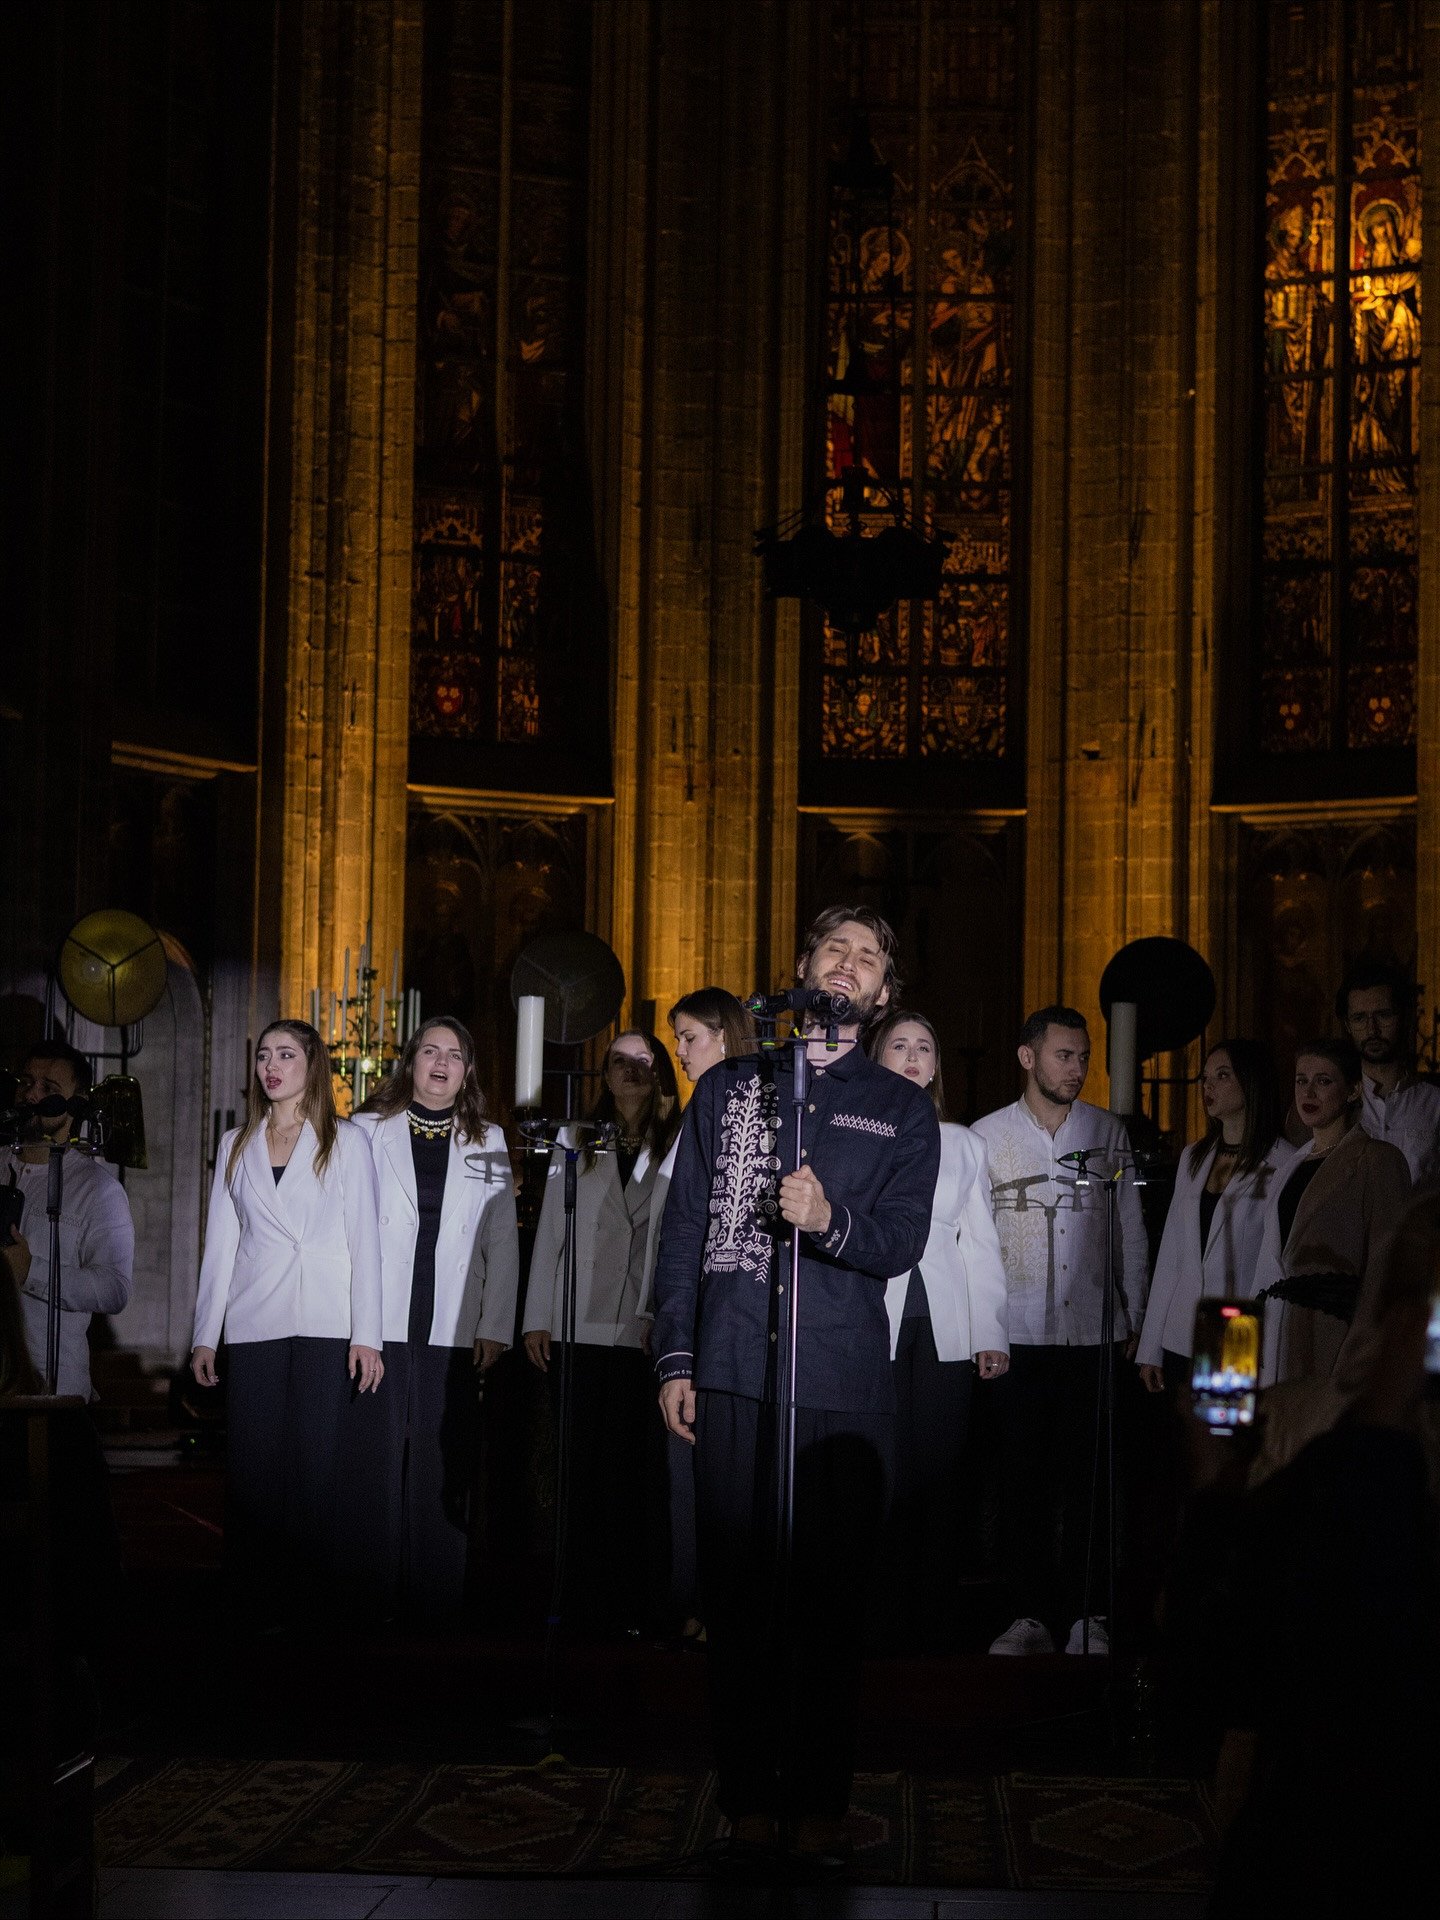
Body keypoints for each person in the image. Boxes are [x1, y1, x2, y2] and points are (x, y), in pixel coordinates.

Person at [652, 907, 940, 1860]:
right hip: (734, 1365)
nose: (849, 966)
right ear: (804, 966)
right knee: (737, 1599)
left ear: (884, 992)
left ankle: (817, 1802)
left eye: (869, 958)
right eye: (835, 950)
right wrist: (678, 1359)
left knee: (827, 1605)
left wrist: (827, 1220)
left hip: (840, 1384)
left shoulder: (901, 1108)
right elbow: (684, 1229)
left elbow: (900, 1242)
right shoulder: (731, 1087)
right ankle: (746, 1801)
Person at [972, 1005, 1149, 1658]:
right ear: (1029, 1057)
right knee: (1022, 1482)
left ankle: (1089, 1614)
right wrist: (983, 1329)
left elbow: (1130, 1230)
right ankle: (1029, 1614)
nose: (1077, 1069)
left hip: (1093, 1334)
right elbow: (976, 1243)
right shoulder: (986, 1136)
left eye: (1083, 1057)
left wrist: (1136, 1317)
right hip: (1016, 1335)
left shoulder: (1107, 1132)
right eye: (1064, 1056)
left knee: (1090, 1483)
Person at [191, 1020, 383, 1611]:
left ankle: (310, 1602)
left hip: (326, 1321)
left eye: (286, 1054)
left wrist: (368, 1335)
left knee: (315, 1465)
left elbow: (366, 1242)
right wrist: (205, 1336)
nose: (271, 1066)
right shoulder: (236, 1143)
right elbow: (220, 1246)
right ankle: (252, 1599)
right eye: (264, 1056)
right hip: (255, 1319)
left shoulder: (347, 1141)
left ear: (312, 1064)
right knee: (252, 1468)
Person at [352, 1017, 520, 1619]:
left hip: (452, 1317)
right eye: (430, 1051)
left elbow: (501, 1238)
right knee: (376, 1454)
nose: (441, 1063)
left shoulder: (488, 1138)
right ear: (411, 1062)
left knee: (441, 1453)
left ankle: (436, 1595)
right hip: (379, 1318)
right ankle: (371, 1587)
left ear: (467, 1070)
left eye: (453, 1054)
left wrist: (495, 1323)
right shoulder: (366, 1129)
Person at [522, 1029, 679, 1631]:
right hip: (578, 1318)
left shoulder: (678, 1138)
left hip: (642, 1321)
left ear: (660, 1071)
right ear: (605, 1074)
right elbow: (550, 1232)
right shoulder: (576, 1139)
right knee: (580, 1465)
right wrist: (538, 1315)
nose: (631, 1070)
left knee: (633, 1467)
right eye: (619, 1061)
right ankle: (578, 1599)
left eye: (644, 1060)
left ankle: (634, 1600)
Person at [868, 1008, 1008, 1648]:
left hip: (946, 1320)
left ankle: (932, 1613)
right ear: (878, 1058)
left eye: (923, 1047)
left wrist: (992, 1333)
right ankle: (880, 1610)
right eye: (899, 1045)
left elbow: (981, 1243)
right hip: (876, 1312)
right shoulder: (858, 1131)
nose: (912, 1056)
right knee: (884, 1463)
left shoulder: (964, 1143)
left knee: (941, 1462)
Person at [640, 988, 756, 1644]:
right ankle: (692, 1601)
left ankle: (713, 1606)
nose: (680, 1052)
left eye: (689, 1038)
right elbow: (671, 1231)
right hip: (683, 1319)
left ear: (725, 1035)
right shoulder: (694, 1113)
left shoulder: (741, 1111)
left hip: (725, 1320)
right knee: (682, 1469)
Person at [1251, 1037, 1411, 1388]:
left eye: (1323, 1081)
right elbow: (1270, 1262)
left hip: (1334, 1338)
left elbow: (1389, 1270)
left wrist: (1358, 1355)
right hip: (1279, 1336)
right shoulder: (1290, 1165)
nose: (1308, 1092)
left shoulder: (1378, 1160)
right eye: (1301, 1080)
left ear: (1353, 1090)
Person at [1136, 1041, 1283, 1396]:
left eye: (1222, 1075)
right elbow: (1171, 1255)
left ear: (1250, 1083)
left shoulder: (1282, 1162)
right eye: (1205, 1078)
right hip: (1180, 1331)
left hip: (1236, 1333)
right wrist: (1151, 1346)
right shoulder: (1193, 1157)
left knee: (1223, 1428)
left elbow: (1272, 1268)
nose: (1208, 1086)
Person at [6, 1040, 134, 1400]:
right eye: (26, 1083)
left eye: (48, 1088)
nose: (31, 1095)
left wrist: (30, 1271)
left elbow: (114, 1289)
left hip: (51, 1387)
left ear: (76, 1103)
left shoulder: (98, 1190)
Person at [1335, 956, 1440, 1181]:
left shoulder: (1434, 1103)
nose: (1372, 1029)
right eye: (1359, 1018)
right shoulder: (1336, 1100)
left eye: (1383, 1015)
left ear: (1404, 1017)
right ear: (1348, 1026)